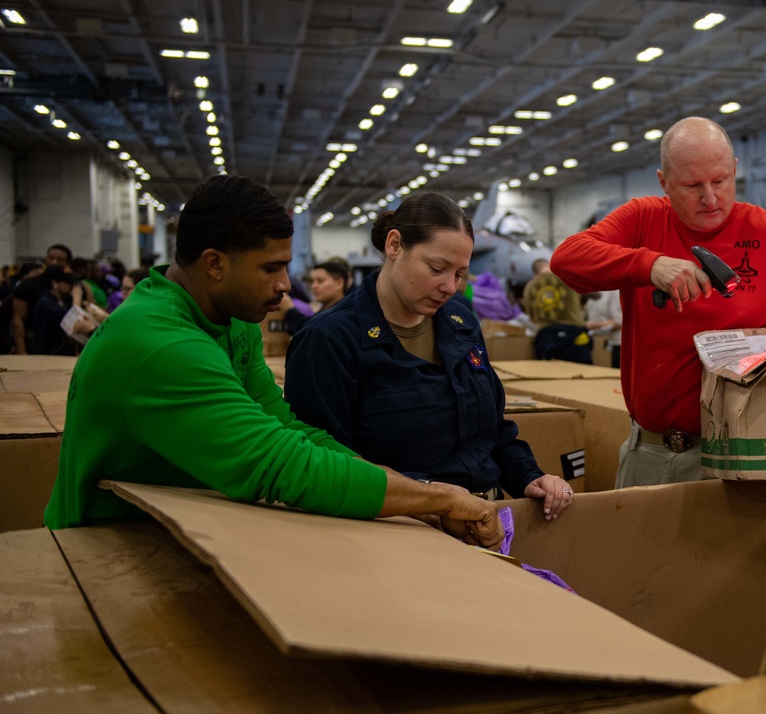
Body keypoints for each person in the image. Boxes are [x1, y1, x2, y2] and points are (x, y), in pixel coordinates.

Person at [44, 175, 503, 550]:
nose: (287, 285)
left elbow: (290, 428)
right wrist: (435, 498)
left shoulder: (232, 322)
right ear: (215, 264)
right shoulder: (159, 344)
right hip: (103, 547)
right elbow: (279, 463)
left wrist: (417, 499)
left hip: (177, 534)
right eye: (270, 268)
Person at [550, 117, 766, 488]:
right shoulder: (642, 220)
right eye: (692, 185)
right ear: (664, 182)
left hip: (741, 459)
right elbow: (566, 259)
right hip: (650, 453)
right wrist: (649, 264)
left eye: (720, 180)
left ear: (735, 170)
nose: (710, 197)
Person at [284, 191, 574, 521]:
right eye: (437, 268)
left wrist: (531, 478)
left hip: (486, 520)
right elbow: (328, 466)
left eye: (460, 274)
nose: (450, 286)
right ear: (394, 245)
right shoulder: (329, 341)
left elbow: (492, 431)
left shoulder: (461, 325)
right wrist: (429, 497)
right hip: (400, 533)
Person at [522, 258, 592, 364]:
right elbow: (586, 296)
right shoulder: (567, 277)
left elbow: (532, 317)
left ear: (535, 273)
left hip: (546, 337)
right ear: (549, 265)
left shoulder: (530, 287)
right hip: (574, 335)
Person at [10, 243, 73, 354]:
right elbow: (18, 318)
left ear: (67, 263)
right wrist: (21, 351)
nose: (54, 262)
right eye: (51, 258)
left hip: (60, 344)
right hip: (35, 342)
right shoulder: (29, 284)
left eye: (60, 259)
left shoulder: (71, 286)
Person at [31, 265, 97, 355]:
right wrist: (76, 298)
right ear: (55, 284)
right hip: (46, 356)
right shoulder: (46, 303)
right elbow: (73, 322)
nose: (71, 286)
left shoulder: (63, 302)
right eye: (67, 283)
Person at [281, 259, 350, 335]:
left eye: (320, 281)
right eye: (312, 281)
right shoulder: (326, 310)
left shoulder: (342, 315)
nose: (314, 286)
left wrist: (289, 309)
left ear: (339, 283)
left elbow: (311, 332)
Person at [584, 290, 623, 368]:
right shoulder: (589, 294)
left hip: (614, 345)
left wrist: (593, 325)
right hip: (595, 342)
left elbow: (619, 322)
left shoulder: (613, 293)